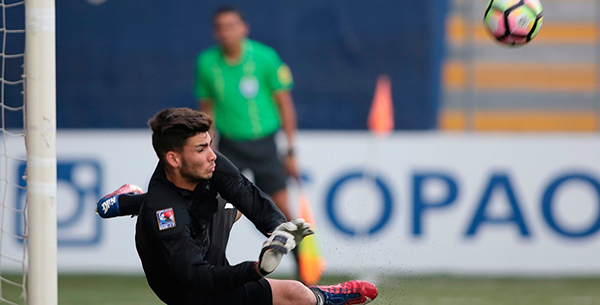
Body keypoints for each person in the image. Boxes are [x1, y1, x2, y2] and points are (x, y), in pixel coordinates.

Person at [96, 107, 378, 305]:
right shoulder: (164, 212)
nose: (212, 156)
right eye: (201, 149)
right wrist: (255, 269)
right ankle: (325, 297)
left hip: (203, 243)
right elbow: (197, 277)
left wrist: (279, 230)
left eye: (209, 144)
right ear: (172, 158)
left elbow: (247, 193)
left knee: (233, 200)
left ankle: (128, 200)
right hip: (188, 290)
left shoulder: (207, 163)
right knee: (297, 295)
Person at [194, 6, 298, 222]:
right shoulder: (206, 63)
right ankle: (208, 256)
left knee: (283, 210)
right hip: (230, 146)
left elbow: (285, 105)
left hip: (265, 145)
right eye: (220, 28)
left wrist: (290, 151)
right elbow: (206, 111)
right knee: (220, 210)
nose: (226, 32)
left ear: (244, 28)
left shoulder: (265, 57)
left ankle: (301, 256)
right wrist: (207, 148)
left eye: (231, 26)